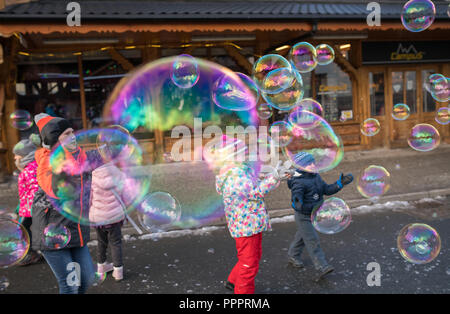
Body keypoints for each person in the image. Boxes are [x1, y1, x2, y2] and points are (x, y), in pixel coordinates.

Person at [31, 113, 102, 294]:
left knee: (86, 279)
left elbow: (96, 158)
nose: (73, 136)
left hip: (76, 231)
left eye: (73, 132)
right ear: (55, 139)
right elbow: (55, 189)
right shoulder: (47, 161)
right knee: (70, 285)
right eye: (67, 133)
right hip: (53, 235)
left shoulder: (80, 156)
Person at [215, 161, 282, 294]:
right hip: (246, 227)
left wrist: (271, 175)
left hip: (252, 223)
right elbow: (253, 193)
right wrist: (274, 178)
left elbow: (254, 180)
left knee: (252, 257)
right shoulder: (235, 176)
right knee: (249, 264)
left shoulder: (239, 170)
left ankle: (233, 281)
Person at [286, 152, 353, 281]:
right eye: (309, 163)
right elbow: (297, 200)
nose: (313, 165)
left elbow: (326, 189)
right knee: (312, 239)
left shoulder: (315, 177)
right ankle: (322, 266)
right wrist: (298, 203)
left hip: (314, 213)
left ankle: (293, 255)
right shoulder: (298, 182)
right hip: (303, 216)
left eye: (313, 162)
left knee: (302, 235)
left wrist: (340, 183)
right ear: (301, 167)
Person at [13, 133, 42, 266]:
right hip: (28, 207)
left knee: (24, 230)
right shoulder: (31, 167)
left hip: (31, 208)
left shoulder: (30, 170)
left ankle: (30, 254)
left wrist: (27, 207)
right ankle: (33, 251)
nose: (14, 158)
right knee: (28, 229)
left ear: (25, 156)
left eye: (16, 155)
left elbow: (36, 190)